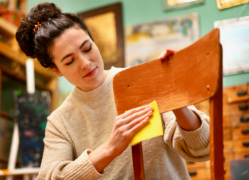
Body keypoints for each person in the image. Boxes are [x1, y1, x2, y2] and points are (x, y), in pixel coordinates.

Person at [16, 2, 210, 180]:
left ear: (94, 41)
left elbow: (203, 146)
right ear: (56, 70)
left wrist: (174, 96)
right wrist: (110, 148)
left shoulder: (141, 80)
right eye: (69, 61)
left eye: (87, 48)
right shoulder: (61, 123)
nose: (85, 63)